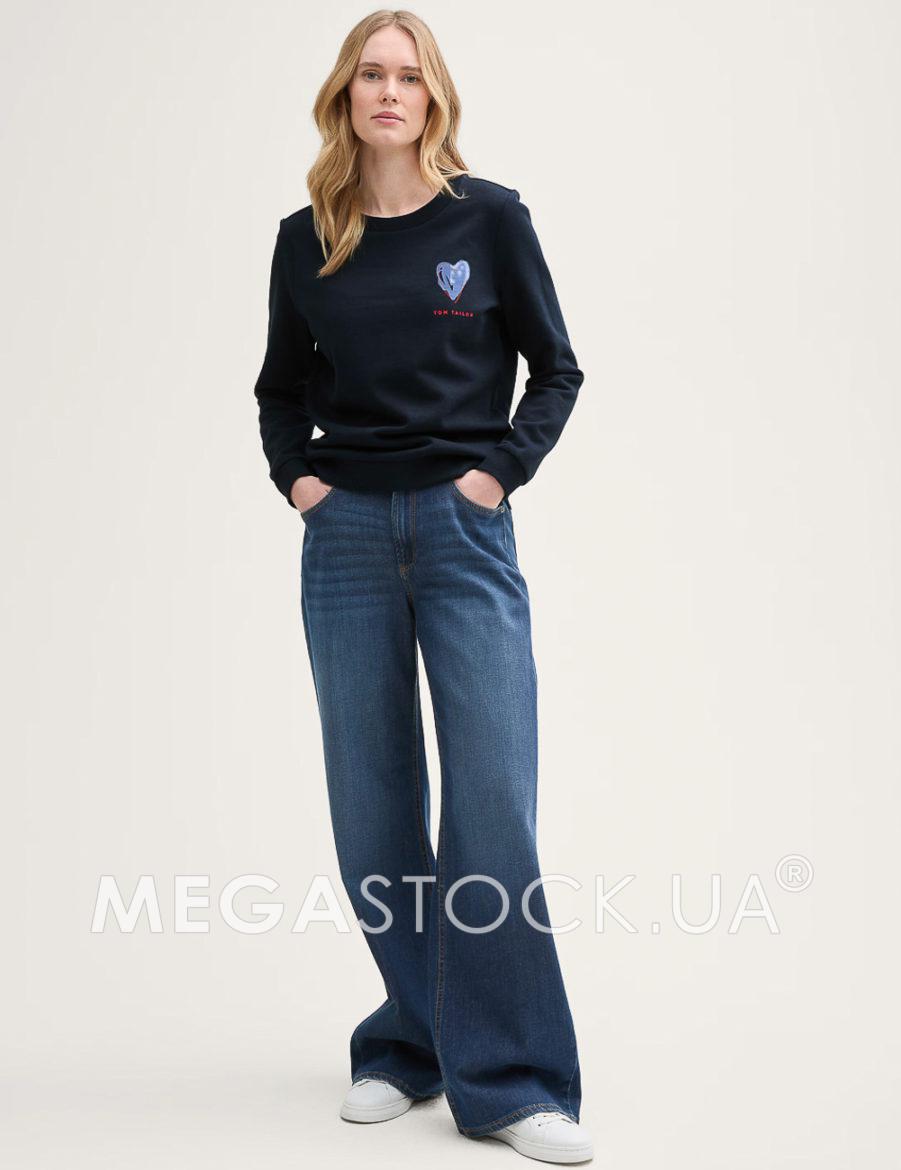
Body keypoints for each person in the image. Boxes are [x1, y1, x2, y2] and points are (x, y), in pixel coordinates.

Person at [253, 10, 594, 1165]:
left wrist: (494, 476)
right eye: (369, 75)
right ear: (344, 97)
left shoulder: (488, 220)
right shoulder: (308, 238)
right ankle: (409, 1041)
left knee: (489, 800)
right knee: (372, 812)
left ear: (433, 96)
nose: (388, 92)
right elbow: (278, 387)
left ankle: (513, 1081)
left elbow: (555, 369)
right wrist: (300, 480)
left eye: (407, 75)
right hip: (344, 540)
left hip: (460, 535)